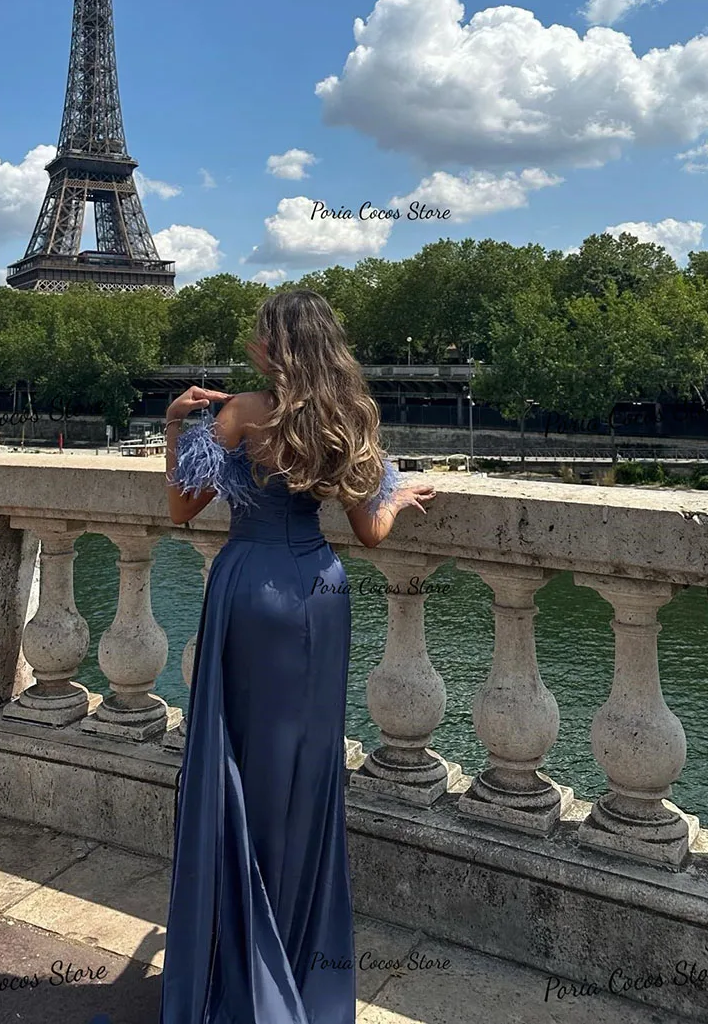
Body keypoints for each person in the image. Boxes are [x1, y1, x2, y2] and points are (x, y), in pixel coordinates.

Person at [158, 289, 437, 1024]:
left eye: (259, 335)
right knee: (308, 775)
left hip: (250, 590)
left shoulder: (243, 412)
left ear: (275, 346)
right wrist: (400, 493)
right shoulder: (347, 415)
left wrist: (173, 423)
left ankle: (242, 961)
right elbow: (371, 530)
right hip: (319, 592)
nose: (250, 345)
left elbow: (182, 508)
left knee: (239, 764)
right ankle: (297, 959)